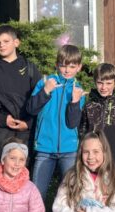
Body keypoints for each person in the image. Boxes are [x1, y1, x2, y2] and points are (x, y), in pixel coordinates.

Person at [0, 25, 41, 178]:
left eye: (6, 41)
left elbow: (40, 101)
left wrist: (29, 123)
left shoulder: (30, 69)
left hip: (25, 133)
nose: (1, 45)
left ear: (16, 42)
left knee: (22, 178)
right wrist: (2, 119)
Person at [27, 44, 86, 200]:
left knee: (70, 197)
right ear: (57, 65)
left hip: (69, 151)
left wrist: (75, 101)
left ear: (79, 67)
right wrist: (45, 91)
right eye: (63, 65)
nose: (67, 70)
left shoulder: (78, 90)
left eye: (72, 66)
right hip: (45, 149)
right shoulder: (45, 83)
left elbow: (73, 123)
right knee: (37, 196)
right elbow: (31, 109)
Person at [79, 62, 115, 171]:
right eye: (100, 83)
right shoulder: (88, 106)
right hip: (93, 163)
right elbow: (83, 134)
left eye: (108, 83)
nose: (104, 87)